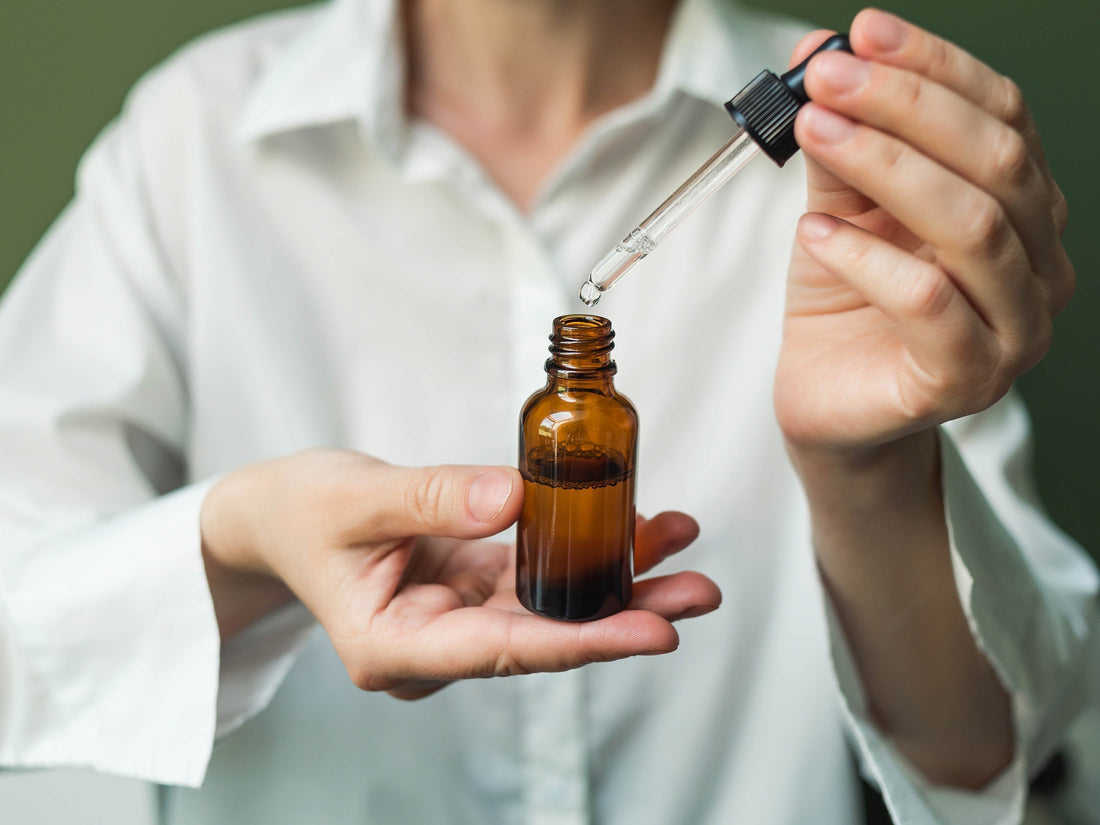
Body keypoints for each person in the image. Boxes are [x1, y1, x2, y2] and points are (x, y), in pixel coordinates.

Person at [0, 0, 1095, 823]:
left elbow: (1008, 751)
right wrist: (241, 543)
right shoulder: (192, 143)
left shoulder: (859, 173)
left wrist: (870, 473)